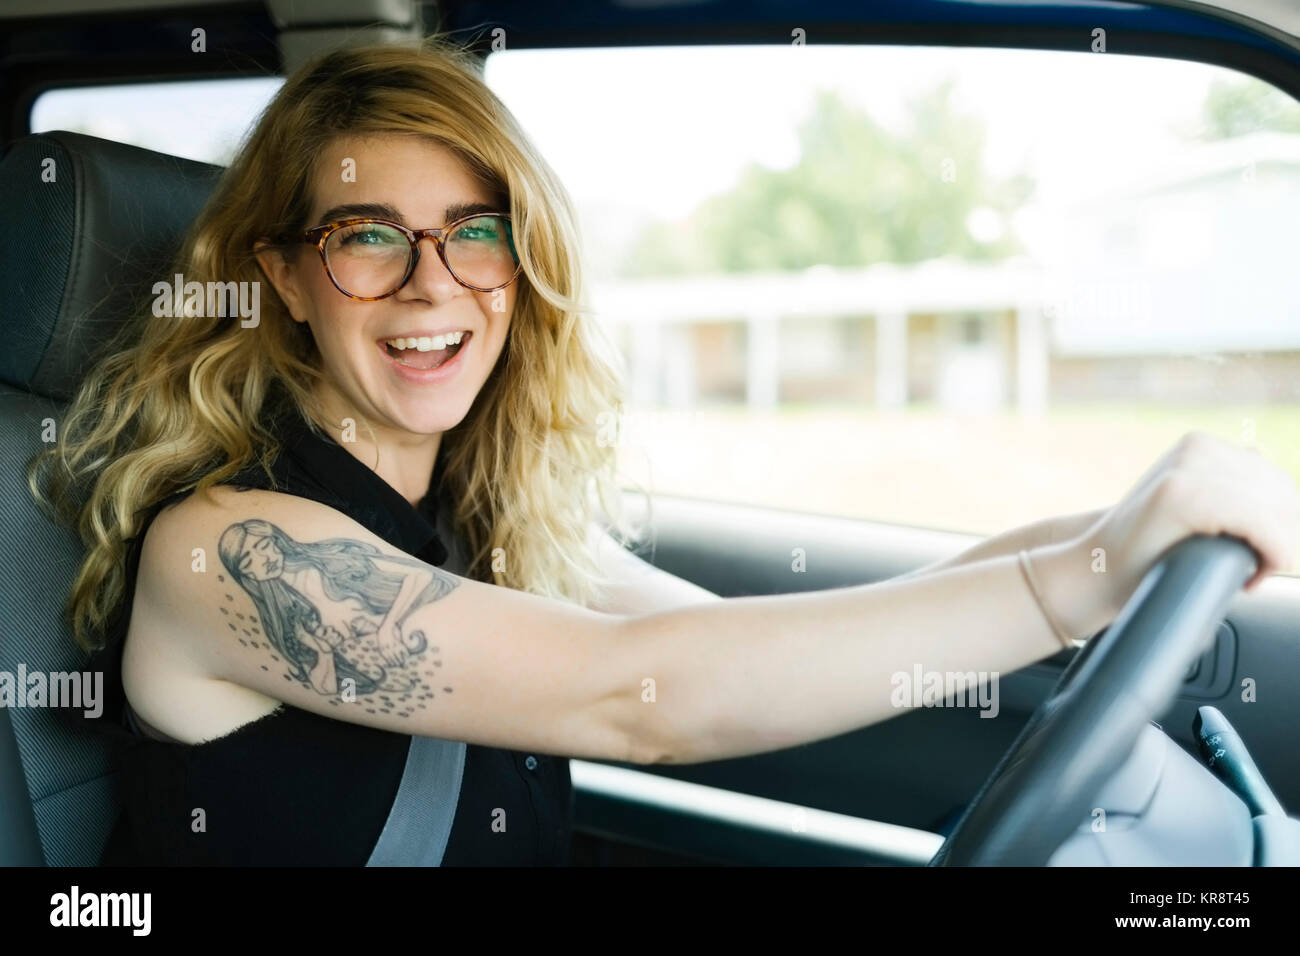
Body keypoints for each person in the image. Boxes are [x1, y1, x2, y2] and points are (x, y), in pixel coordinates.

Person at [27, 35, 1299, 866]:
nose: (433, 287)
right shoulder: (234, 552)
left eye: (478, 234)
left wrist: (1107, 539)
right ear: (288, 279)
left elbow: (754, 643)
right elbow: (645, 693)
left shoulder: (484, 516)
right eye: (367, 237)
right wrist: (1056, 586)